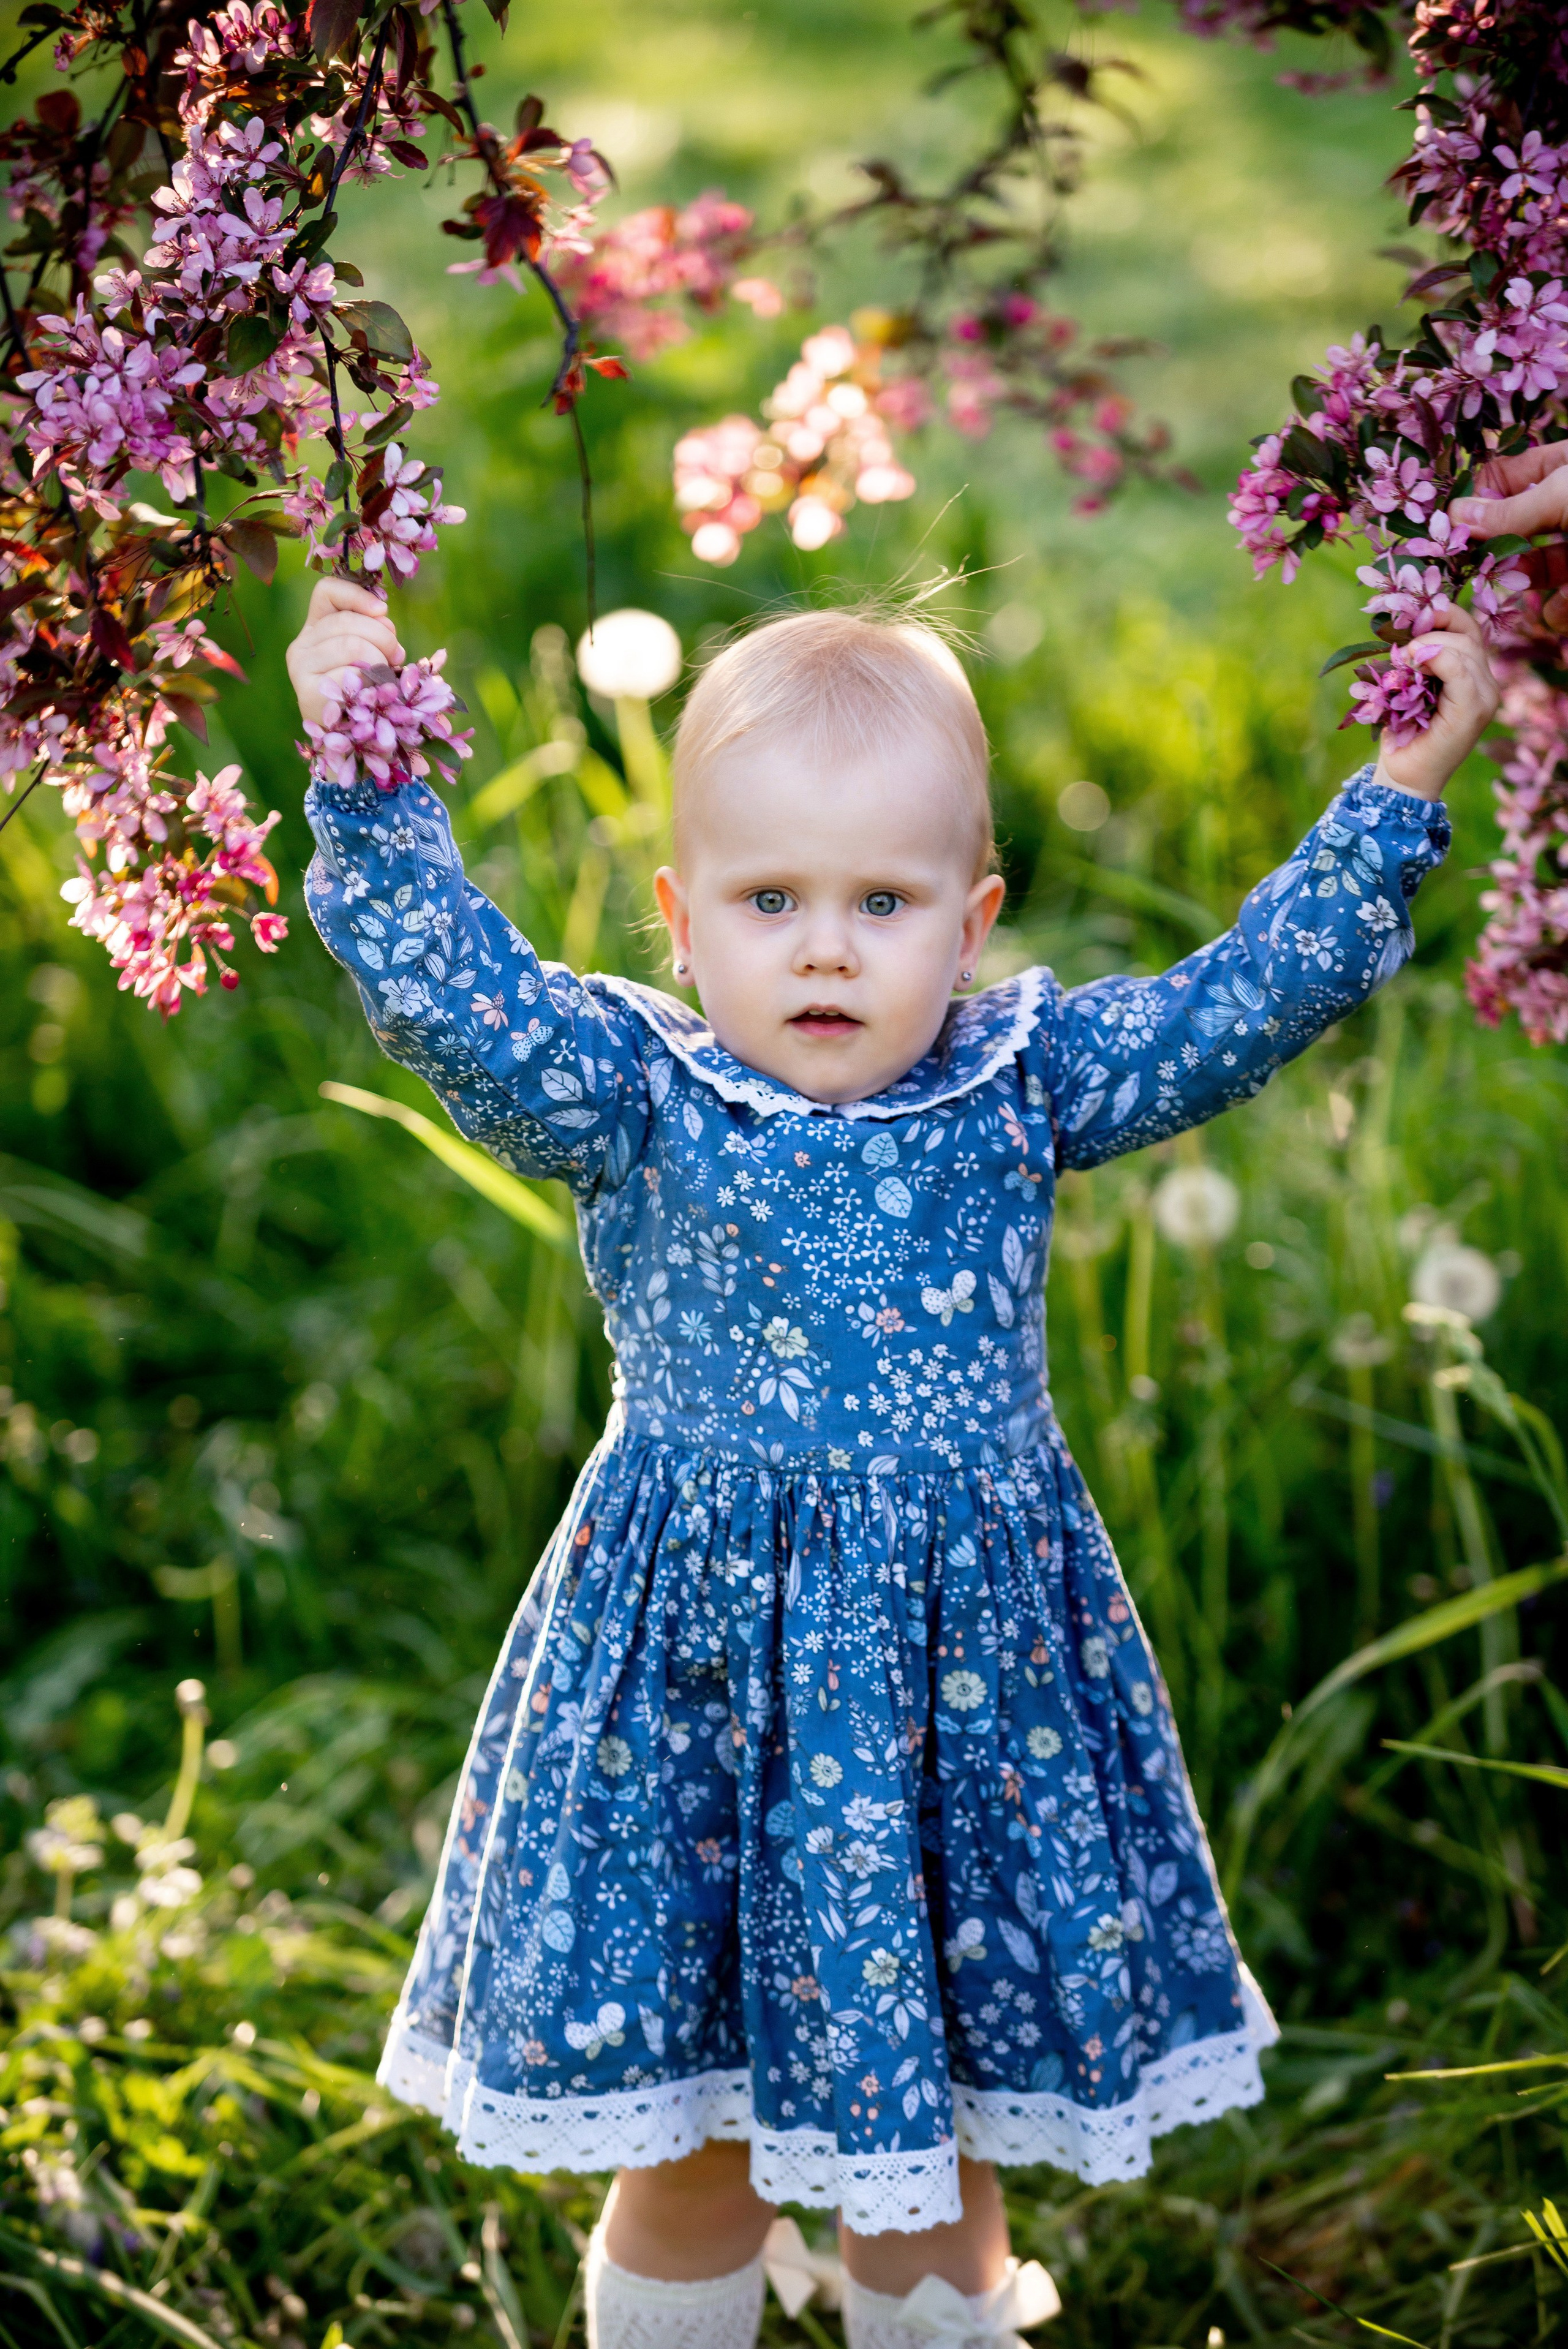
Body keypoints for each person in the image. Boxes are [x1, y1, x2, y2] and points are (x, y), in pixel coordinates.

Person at [287, 580, 1496, 2349]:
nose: (829, 949)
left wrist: (1400, 781)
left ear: (974, 919)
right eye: (772, 902)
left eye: (884, 902)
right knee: (694, 2133)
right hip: (700, 1694)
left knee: (935, 2137)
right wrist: (367, 772)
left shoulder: (1025, 1082)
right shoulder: (636, 1091)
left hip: (955, 1704)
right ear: (682, 919)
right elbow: (452, 996)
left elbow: (1238, 1003)